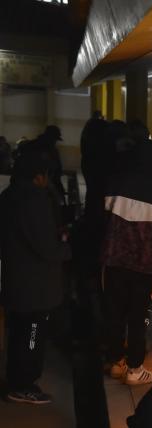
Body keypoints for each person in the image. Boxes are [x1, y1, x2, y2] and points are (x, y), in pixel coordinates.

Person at [0, 150, 71, 404]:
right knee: (31, 337)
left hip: (15, 281)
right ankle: (23, 385)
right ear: (38, 177)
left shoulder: (7, 197)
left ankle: (15, 380)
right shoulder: (35, 201)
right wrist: (66, 246)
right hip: (35, 288)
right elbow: (47, 248)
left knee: (18, 335)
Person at [101, 139, 152, 385]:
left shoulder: (113, 184)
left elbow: (102, 222)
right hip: (145, 264)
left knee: (114, 312)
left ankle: (116, 361)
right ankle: (135, 368)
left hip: (113, 261)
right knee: (139, 315)